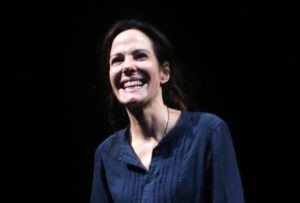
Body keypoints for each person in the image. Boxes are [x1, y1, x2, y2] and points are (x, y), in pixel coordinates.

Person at [90, 18, 245, 203]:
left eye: (140, 56)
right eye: (117, 60)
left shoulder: (208, 132)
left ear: (164, 73)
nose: (127, 67)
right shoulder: (107, 154)